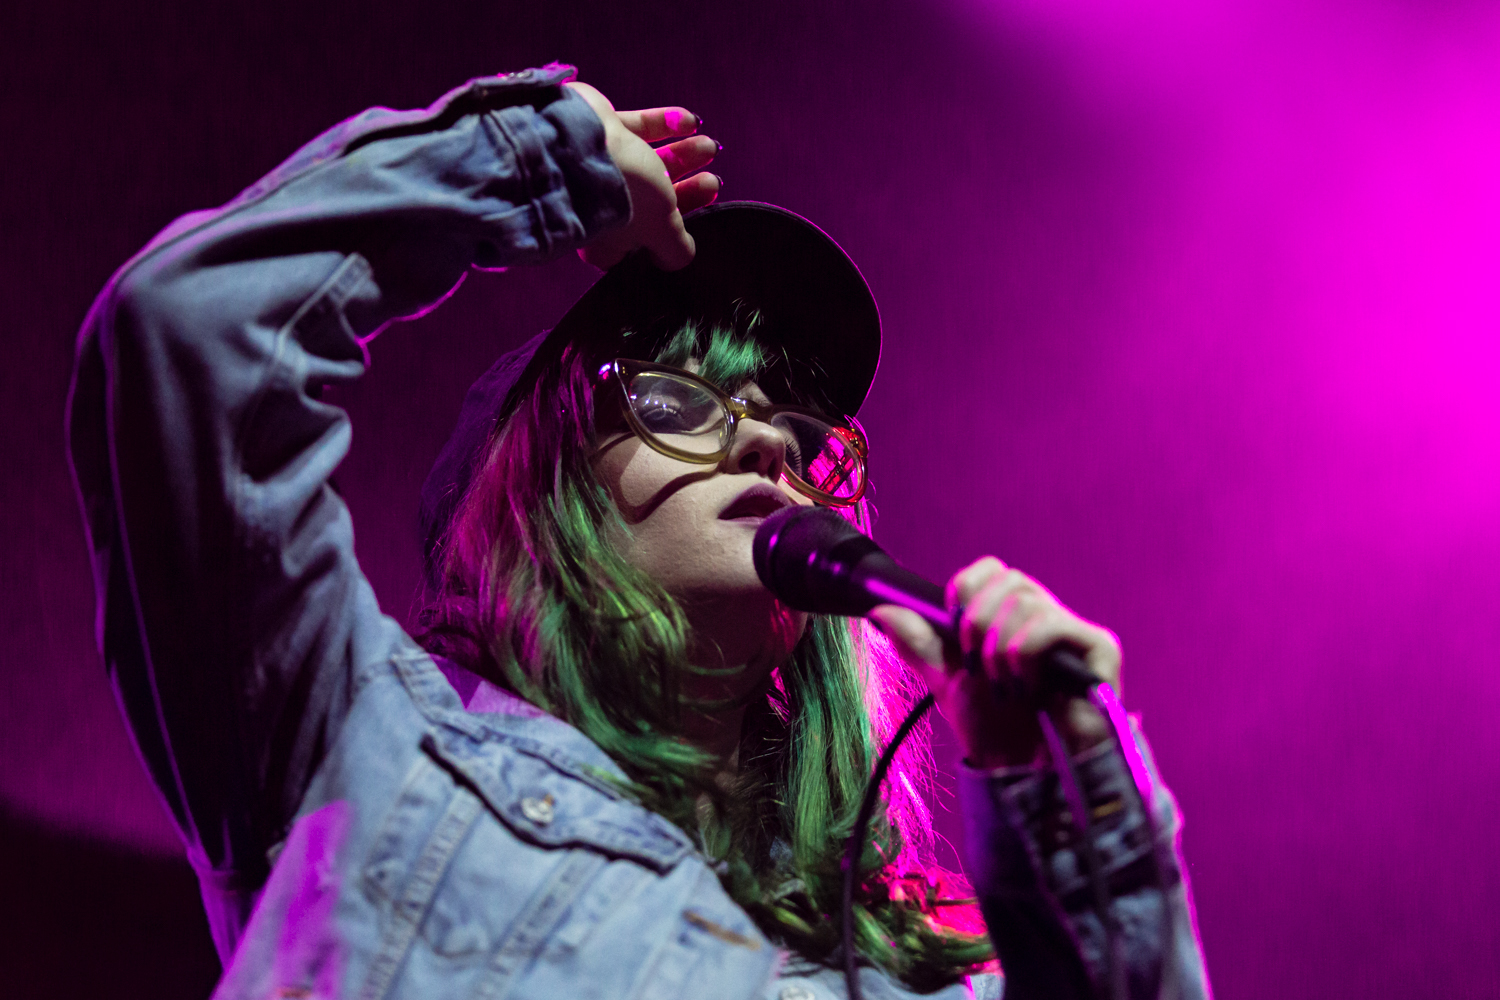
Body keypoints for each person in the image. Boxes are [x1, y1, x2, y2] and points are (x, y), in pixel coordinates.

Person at [67, 63, 1211, 1000]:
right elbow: (187, 330)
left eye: (807, 441)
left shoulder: (917, 976)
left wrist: (1060, 785)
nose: (771, 448)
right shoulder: (359, 740)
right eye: (675, 402)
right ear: (540, 487)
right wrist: (521, 164)